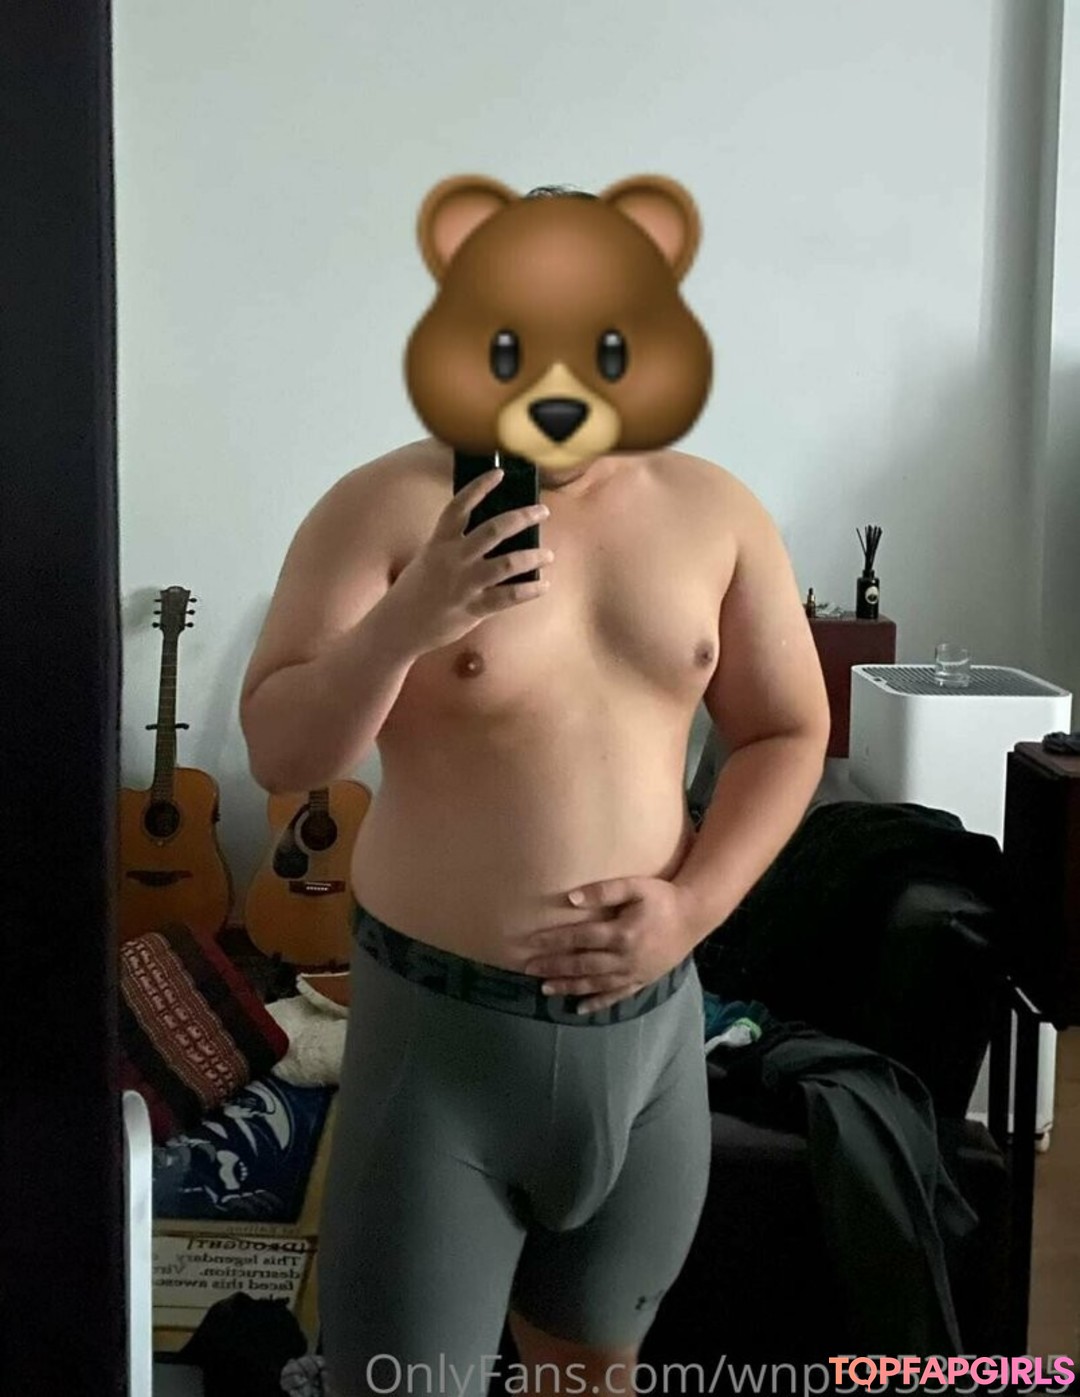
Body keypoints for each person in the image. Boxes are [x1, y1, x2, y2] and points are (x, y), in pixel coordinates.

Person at [239, 188, 830, 1397]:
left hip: (652, 1040)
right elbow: (282, 752)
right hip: (439, 1053)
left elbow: (787, 729)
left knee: (592, 1377)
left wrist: (693, 906)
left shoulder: (715, 512)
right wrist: (408, 620)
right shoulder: (383, 507)